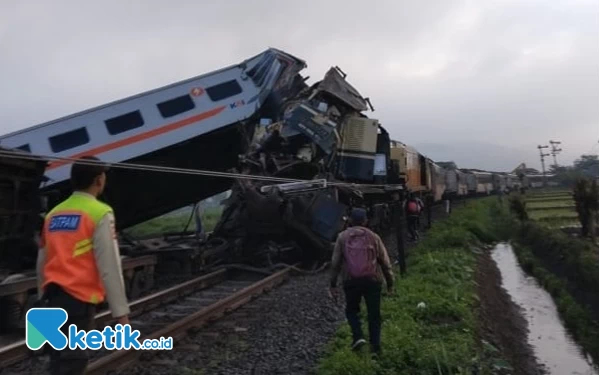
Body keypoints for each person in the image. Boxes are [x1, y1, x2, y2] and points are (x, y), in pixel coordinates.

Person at [36, 155, 130, 375]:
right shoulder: (100, 213)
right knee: (72, 362)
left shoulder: (53, 215)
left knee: (58, 359)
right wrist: (121, 315)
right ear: (99, 180)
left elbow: (43, 260)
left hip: (53, 297)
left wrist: (42, 297)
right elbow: (109, 266)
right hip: (78, 300)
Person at [329, 208, 395, 355]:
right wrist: (390, 283)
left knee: (352, 311)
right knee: (374, 314)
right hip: (372, 280)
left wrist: (332, 284)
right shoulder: (374, 237)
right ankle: (375, 348)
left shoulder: (342, 237)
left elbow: (335, 263)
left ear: (350, 221)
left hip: (351, 281)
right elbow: (385, 262)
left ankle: (358, 336)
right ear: (365, 221)